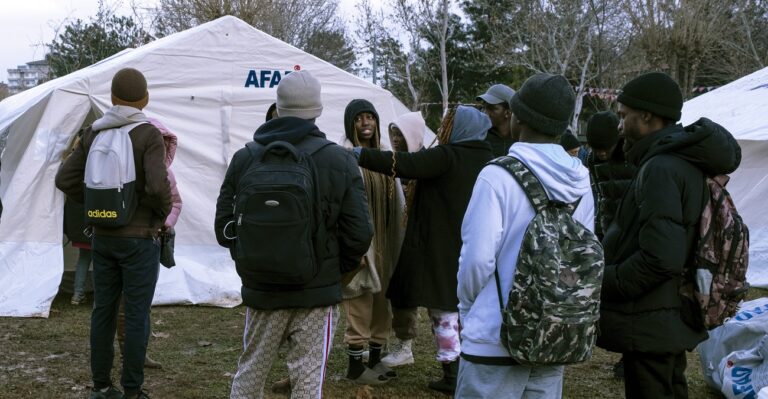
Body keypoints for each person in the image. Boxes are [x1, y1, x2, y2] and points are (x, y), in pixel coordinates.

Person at [214, 70, 373, 398]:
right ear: (318, 110)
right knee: (307, 378)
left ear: (278, 107)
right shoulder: (339, 160)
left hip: (262, 289)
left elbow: (224, 227)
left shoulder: (246, 158)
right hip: (317, 292)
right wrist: (332, 269)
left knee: (251, 371)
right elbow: (360, 232)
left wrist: (253, 257)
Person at [597, 71, 740, 399]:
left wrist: (605, 279)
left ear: (646, 116)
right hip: (665, 314)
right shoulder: (677, 162)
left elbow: (661, 257)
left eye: (624, 116)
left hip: (651, 317)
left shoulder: (662, 168)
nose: (619, 125)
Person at [456, 73, 594, 398]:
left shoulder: (497, 175)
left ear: (517, 116)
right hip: (554, 331)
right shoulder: (581, 180)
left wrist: (467, 310)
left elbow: (477, 260)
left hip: (494, 334)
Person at [354, 105, 494, 394]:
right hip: (475, 244)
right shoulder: (487, 157)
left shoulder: (448, 155)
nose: (445, 128)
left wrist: (361, 155)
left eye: (449, 123)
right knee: (466, 313)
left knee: (443, 313)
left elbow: (405, 164)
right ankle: (468, 369)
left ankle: (452, 373)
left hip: (441, 246)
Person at [56, 67, 172, 399]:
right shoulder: (148, 133)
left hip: (103, 237)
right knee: (136, 315)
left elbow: (65, 179)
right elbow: (157, 185)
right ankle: (133, 390)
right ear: (145, 99)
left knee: (102, 312)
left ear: (111, 98)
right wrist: (156, 214)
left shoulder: (93, 132)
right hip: (139, 240)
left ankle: (102, 386)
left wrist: (95, 202)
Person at [340, 99, 405, 384]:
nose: (366, 123)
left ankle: (376, 358)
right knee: (360, 296)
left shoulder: (386, 156)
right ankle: (355, 366)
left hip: (386, 239)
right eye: (359, 119)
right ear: (350, 124)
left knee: (383, 300)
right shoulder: (343, 156)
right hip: (361, 240)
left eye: (370, 117)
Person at [115, 118, 182, 370]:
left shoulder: (165, 172)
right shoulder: (119, 167)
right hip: (124, 241)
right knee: (124, 305)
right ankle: (128, 356)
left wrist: (166, 221)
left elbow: (176, 202)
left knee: (141, 302)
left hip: (149, 241)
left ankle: (139, 353)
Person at [380, 111, 426, 369]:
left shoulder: (424, 163)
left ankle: (405, 345)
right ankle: (385, 341)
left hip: (414, 239)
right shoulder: (393, 163)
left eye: (401, 134)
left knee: (406, 293)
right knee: (389, 291)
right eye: (393, 133)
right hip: (393, 234)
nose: (396, 139)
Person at [61, 133, 93, 306]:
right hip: (98, 218)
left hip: (79, 220)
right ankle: (102, 296)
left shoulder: (71, 162)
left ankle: (77, 294)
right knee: (103, 260)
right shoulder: (97, 160)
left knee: (84, 258)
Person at [476, 84, 517, 156]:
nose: (485, 113)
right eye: (484, 108)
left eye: (491, 108)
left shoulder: (521, 139)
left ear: (508, 112)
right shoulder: (480, 137)